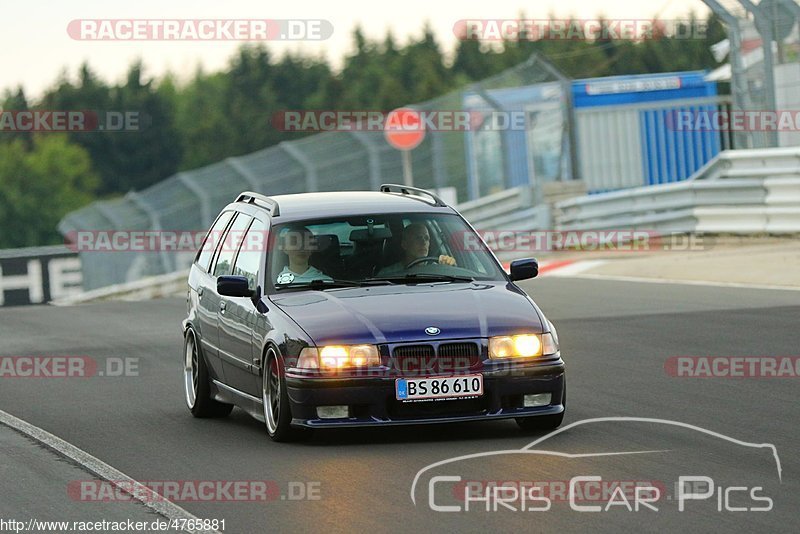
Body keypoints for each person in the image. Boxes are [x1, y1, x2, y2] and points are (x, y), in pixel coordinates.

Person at [377, 222, 456, 275]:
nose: (423, 242)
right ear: (405, 244)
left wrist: (449, 267)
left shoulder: (437, 269)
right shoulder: (388, 274)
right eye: (418, 238)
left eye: (426, 238)